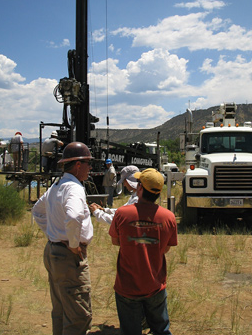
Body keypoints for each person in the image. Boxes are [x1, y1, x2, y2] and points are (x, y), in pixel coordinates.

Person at [32, 142, 94, 335]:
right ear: (78, 165)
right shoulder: (74, 188)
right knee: (78, 316)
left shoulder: (56, 186)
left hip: (54, 252)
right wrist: (73, 244)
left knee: (60, 310)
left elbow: (37, 211)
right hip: (68, 258)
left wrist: (53, 234)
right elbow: (74, 216)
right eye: (88, 163)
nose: (90, 168)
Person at [109, 168, 178, 335]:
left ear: (140, 188)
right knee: (161, 329)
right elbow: (166, 248)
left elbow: (116, 241)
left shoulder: (122, 214)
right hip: (155, 285)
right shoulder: (169, 217)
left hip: (127, 287)